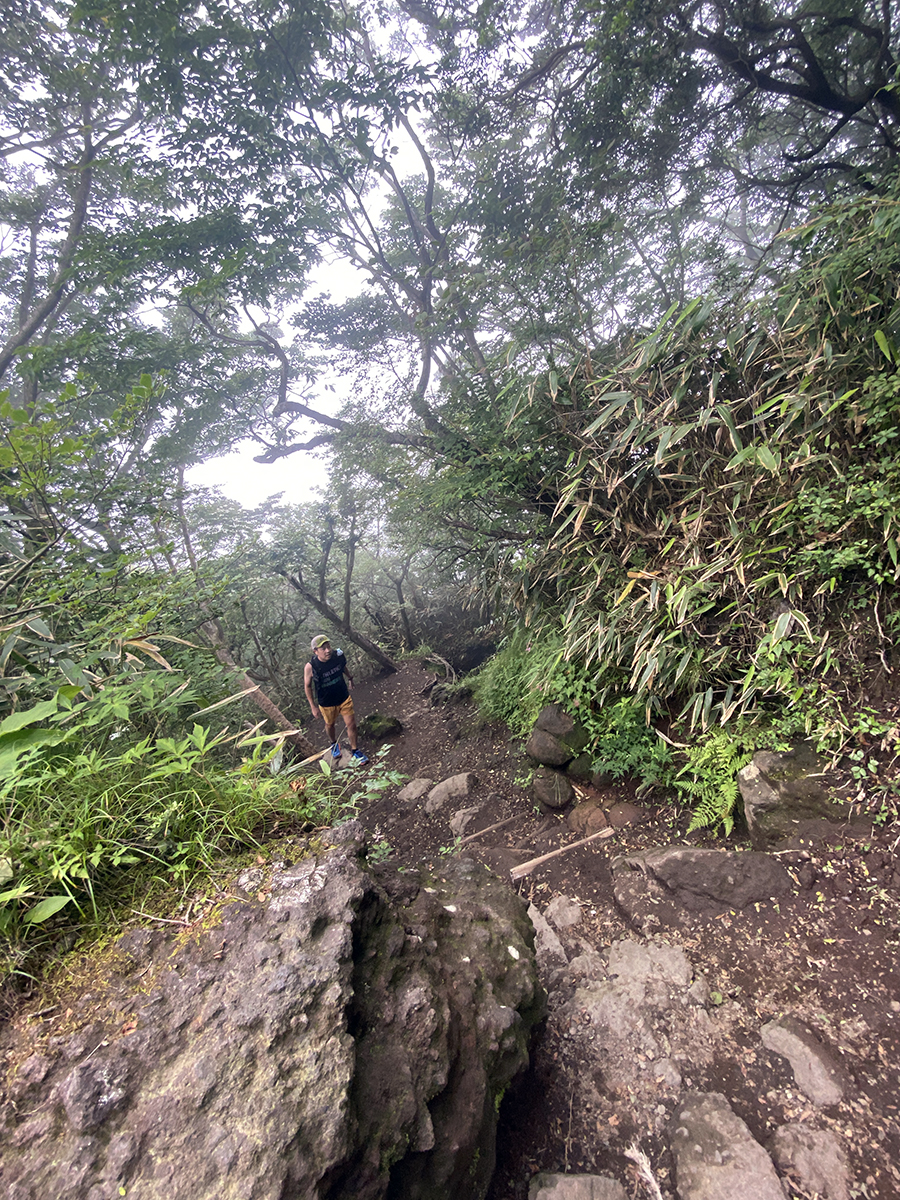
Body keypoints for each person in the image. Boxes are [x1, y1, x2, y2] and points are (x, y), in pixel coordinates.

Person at [304, 635, 368, 764]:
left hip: (343, 696)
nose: (327, 650)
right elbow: (307, 685)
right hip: (326, 702)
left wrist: (350, 678)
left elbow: (342, 667)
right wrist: (313, 706)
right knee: (330, 725)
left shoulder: (337, 656)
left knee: (351, 724)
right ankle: (334, 743)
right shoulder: (311, 667)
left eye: (328, 647)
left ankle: (355, 750)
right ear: (315, 651)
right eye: (323, 648)